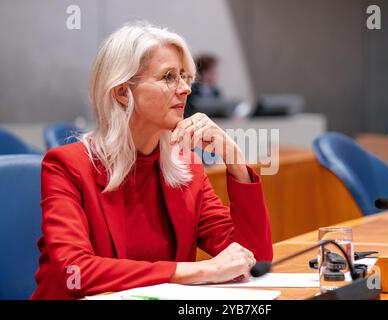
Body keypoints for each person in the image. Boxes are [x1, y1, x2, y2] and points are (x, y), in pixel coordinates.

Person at [30, 21, 272, 300]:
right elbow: (75, 272)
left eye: (185, 77)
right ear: (122, 92)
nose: (185, 89)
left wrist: (235, 161)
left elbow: (255, 260)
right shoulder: (66, 166)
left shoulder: (187, 167)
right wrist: (196, 271)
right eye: (169, 77)